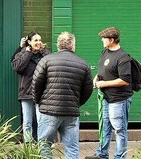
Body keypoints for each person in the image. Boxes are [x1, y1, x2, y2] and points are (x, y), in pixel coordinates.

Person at [32, 32, 93, 159]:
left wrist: (39, 101)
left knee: (44, 145)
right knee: (72, 148)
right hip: (71, 113)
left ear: (58, 45)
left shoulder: (46, 60)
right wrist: (76, 103)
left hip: (48, 111)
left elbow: (36, 84)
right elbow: (88, 90)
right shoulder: (83, 64)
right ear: (73, 45)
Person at [87, 27, 133, 159]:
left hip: (118, 100)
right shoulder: (105, 52)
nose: (102, 40)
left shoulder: (123, 57)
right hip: (106, 98)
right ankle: (102, 154)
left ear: (112, 40)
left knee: (119, 130)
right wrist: (97, 77)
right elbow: (104, 70)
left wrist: (104, 84)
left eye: (104, 38)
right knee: (104, 127)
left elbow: (125, 80)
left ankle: (120, 156)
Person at [12, 31, 50, 143]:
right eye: (35, 40)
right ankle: (28, 144)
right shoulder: (21, 54)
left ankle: (42, 142)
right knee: (27, 121)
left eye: (40, 40)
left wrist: (43, 51)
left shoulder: (45, 54)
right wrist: (28, 53)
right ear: (29, 42)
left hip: (42, 92)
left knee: (41, 120)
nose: (38, 42)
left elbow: (52, 64)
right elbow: (18, 68)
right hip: (26, 91)